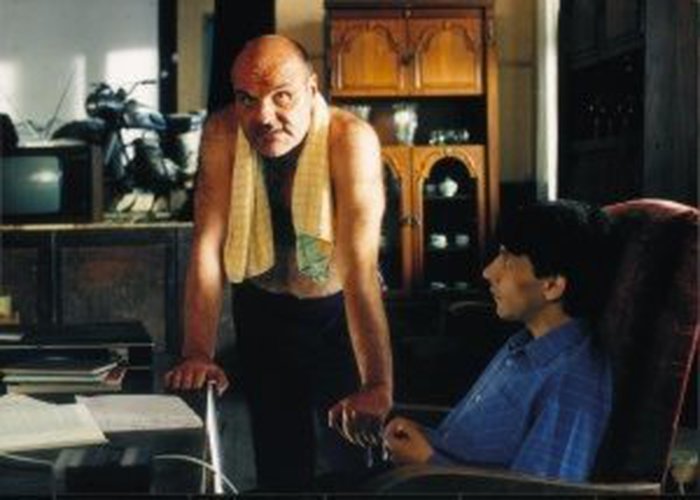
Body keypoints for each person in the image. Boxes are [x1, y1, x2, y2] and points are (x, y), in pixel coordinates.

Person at [165, 35, 393, 491]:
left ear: (312, 89)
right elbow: (208, 246)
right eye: (247, 99)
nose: (263, 116)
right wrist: (197, 352)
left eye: (281, 96)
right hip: (263, 309)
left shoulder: (351, 140)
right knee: (279, 464)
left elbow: (359, 270)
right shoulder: (224, 133)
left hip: (338, 314)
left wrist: (377, 385)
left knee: (354, 461)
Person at [383, 200, 613, 483]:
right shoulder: (524, 344)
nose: (488, 272)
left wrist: (428, 463)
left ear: (552, 285)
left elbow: (543, 493)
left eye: (507, 260)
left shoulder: (572, 381)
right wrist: (426, 439)